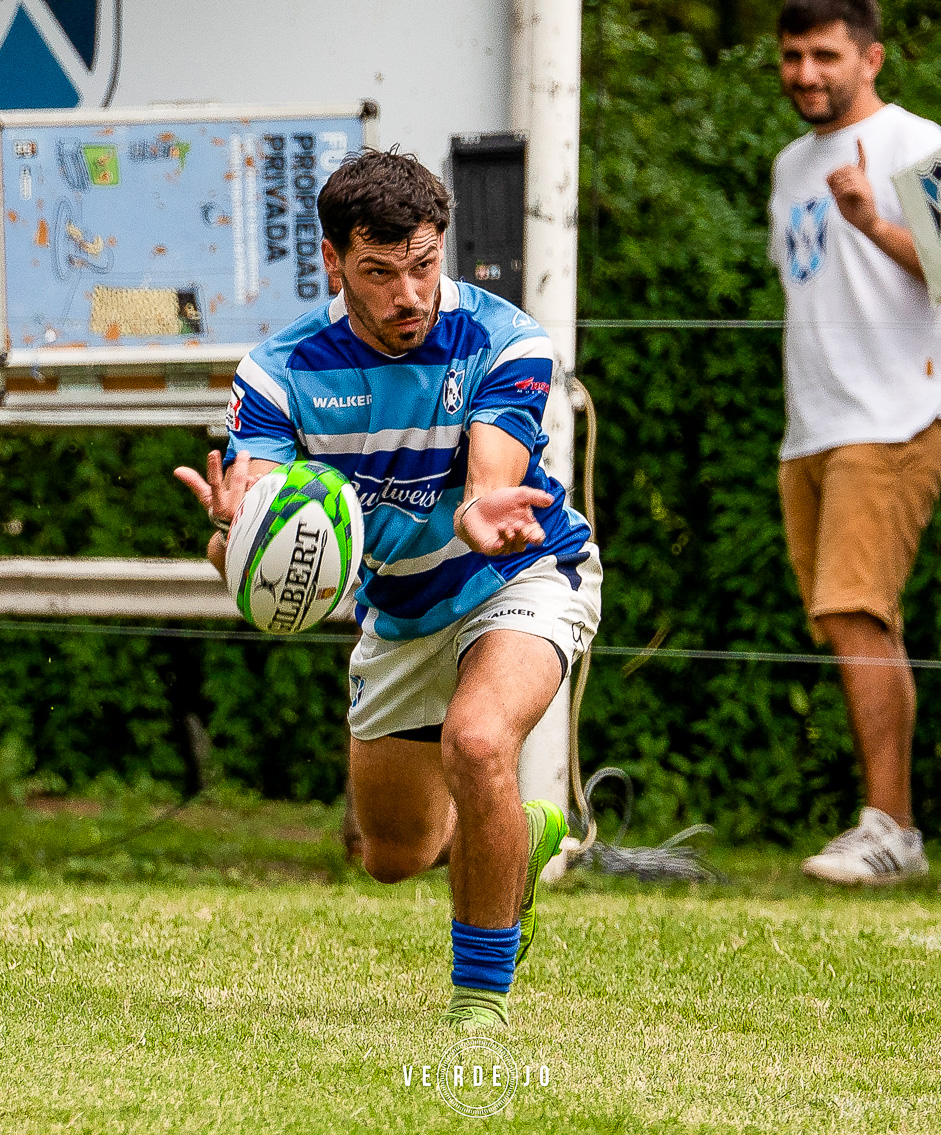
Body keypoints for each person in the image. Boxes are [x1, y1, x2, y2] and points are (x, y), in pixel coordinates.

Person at [175, 149, 599, 1030]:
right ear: (334, 263)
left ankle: (478, 1004)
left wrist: (481, 513)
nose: (409, 294)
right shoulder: (279, 373)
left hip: (517, 572)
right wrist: (233, 538)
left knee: (478, 740)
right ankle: (515, 837)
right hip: (400, 611)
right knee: (393, 856)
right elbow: (262, 542)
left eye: (424, 266)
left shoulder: (504, 339)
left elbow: (493, 474)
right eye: (380, 272)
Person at [768, 0, 941, 885]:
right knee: (845, 619)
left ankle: (891, 827)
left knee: (859, 612)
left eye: (825, 55)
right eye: (792, 57)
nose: (807, 74)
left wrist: (874, 221)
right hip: (813, 423)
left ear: (872, 57)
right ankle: (887, 822)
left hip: (896, 415)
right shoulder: (787, 164)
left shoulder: (919, 140)